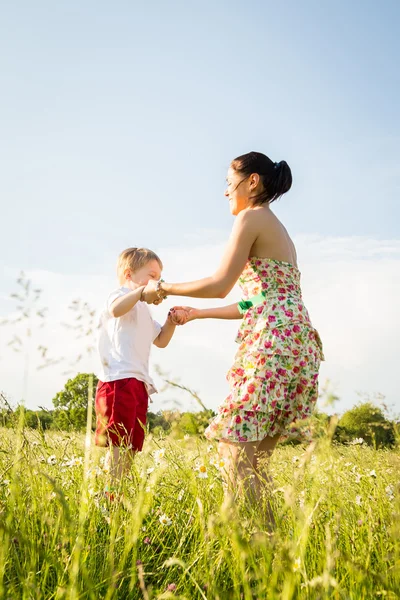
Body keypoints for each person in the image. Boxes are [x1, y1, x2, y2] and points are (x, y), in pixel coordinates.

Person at [143, 151, 324, 512]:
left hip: (274, 342)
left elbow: (220, 283)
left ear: (251, 181)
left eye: (229, 183)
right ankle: (264, 550)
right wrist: (198, 314)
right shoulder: (275, 227)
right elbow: (253, 302)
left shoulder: (251, 218)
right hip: (295, 342)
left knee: (236, 452)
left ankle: (242, 541)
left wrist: (163, 287)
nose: (226, 192)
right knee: (252, 463)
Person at [95, 247, 186, 498]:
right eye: (152, 276)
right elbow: (115, 310)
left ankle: (117, 494)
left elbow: (161, 341)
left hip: (139, 384)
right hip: (118, 381)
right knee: (118, 445)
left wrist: (171, 322)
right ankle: (109, 498)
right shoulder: (120, 295)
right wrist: (140, 293)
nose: (158, 283)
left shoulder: (145, 310)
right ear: (129, 274)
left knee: (131, 447)